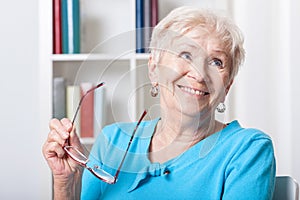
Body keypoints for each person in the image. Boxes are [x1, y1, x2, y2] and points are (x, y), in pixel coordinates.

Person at [42, 6, 276, 200]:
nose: (199, 73)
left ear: (226, 87)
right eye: (185, 55)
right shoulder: (112, 140)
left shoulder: (248, 150)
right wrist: (65, 185)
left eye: (216, 62)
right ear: (154, 69)